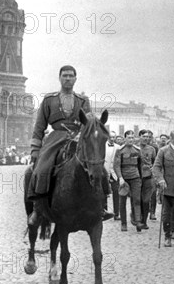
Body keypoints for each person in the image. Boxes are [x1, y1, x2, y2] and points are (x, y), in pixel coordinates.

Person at [26, 65, 113, 225]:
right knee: (41, 168)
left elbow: (88, 121)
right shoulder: (49, 100)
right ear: (59, 78)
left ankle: (101, 207)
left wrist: (85, 131)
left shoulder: (82, 100)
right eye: (64, 75)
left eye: (71, 76)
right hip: (55, 138)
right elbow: (39, 126)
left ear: (75, 79)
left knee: (100, 169)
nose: (67, 78)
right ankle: (38, 210)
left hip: (78, 138)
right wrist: (35, 149)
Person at [114, 130, 144, 232]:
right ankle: (123, 223)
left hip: (135, 178)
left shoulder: (137, 150)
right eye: (129, 138)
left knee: (137, 199)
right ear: (125, 138)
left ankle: (138, 221)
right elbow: (116, 166)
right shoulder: (120, 150)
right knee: (122, 201)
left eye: (132, 138)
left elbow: (140, 165)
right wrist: (120, 178)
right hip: (124, 179)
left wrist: (141, 178)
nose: (131, 140)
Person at [138, 129, 156, 229]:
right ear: (139, 136)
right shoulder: (135, 148)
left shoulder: (152, 149)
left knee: (146, 200)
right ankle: (137, 218)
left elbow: (155, 163)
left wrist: (152, 170)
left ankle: (144, 221)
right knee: (138, 199)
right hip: (137, 178)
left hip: (148, 177)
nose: (146, 138)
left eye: (148, 137)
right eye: (144, 136)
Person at [104, 131, 120, 220]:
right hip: (104, 171)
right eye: (110, 137)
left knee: (116, 192)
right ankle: (104, 211)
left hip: (114, 173)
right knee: (104, 193)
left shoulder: (118, 147)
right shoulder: (102, 146)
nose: (112, 139)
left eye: (114, 137)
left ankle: (116, 213)